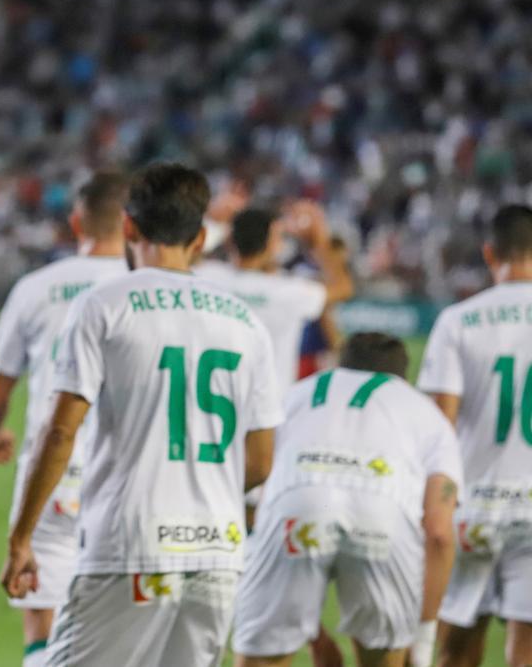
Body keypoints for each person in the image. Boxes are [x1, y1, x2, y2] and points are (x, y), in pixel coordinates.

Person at [1, 163, 283, 666]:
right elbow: (261, 461)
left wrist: (22, 536)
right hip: (217, 552)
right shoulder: (246, 322)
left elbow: (61, 427)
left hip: (130, 542)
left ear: (130, 228)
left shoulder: (103, 304)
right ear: (199, 238)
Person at [233, 333, 461, 667]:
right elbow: (439, 532)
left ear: (342, 364)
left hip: (295, 504)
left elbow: (263, 496)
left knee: (264, 658)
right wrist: (423, 639)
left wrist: (314, 635)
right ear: (401, 374)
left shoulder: (297, 394)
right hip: (384, 515)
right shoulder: (426, 414)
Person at [0, 170, 130, 667]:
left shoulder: (36, 287)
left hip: (52, 472)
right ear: (131, 224)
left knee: (42, 618)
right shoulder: (143, 289)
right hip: (125, 473)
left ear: (75, 222)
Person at [418, 204, 532, 667]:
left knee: (457, 651)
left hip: (472, 508)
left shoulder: (458, 321)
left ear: (490, 253)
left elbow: (438, 428)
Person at [197, 201, 354, 389]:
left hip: (211, 403)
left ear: (230, 239)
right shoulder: (287, 292)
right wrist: (319, 238)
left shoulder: (205, 276)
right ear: (272, 245)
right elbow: (343, 287)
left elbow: (182, 254)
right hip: (270, 409)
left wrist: (213, 221)